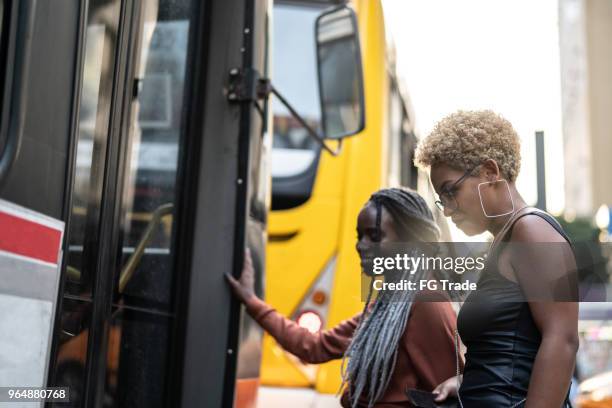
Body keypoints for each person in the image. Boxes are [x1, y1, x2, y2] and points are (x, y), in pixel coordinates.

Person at [226, 188, 459, 408]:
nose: (361, 245)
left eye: (375, 236)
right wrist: (251, 301)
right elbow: (314, 347)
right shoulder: (388, 306)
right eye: (360, 235)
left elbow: (445, 395)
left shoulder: (428, 302)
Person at [415, 110, 579, 407]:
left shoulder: (531, 230)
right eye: (441, 199)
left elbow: (562, 341)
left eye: (450, 191)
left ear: (490, 172)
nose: (447, 209)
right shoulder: (502, 241)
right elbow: (512, 352)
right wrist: (465, 383)